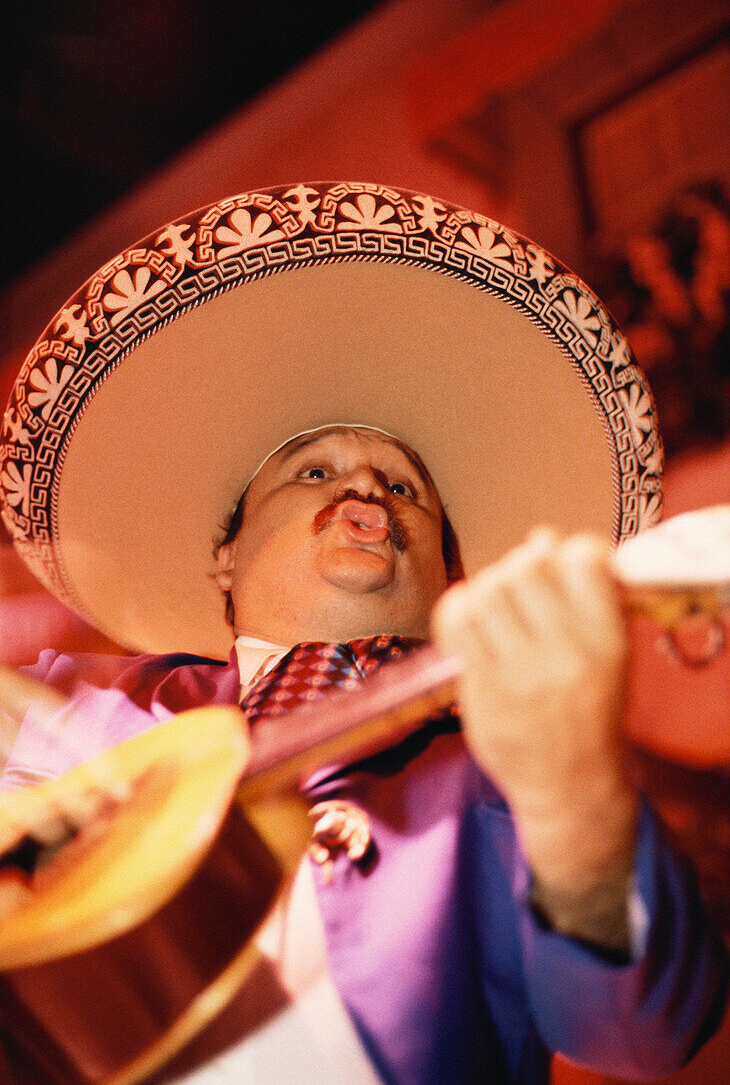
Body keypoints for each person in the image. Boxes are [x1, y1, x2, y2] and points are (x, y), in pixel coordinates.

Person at [0, 182, 727, 1083]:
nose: (367, 495)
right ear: (225, 556)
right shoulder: (74, 703)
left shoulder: (508, 765)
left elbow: (644, 1036)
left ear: (451, 583)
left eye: (405, 488)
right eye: (313, 469)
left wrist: (574, 791)